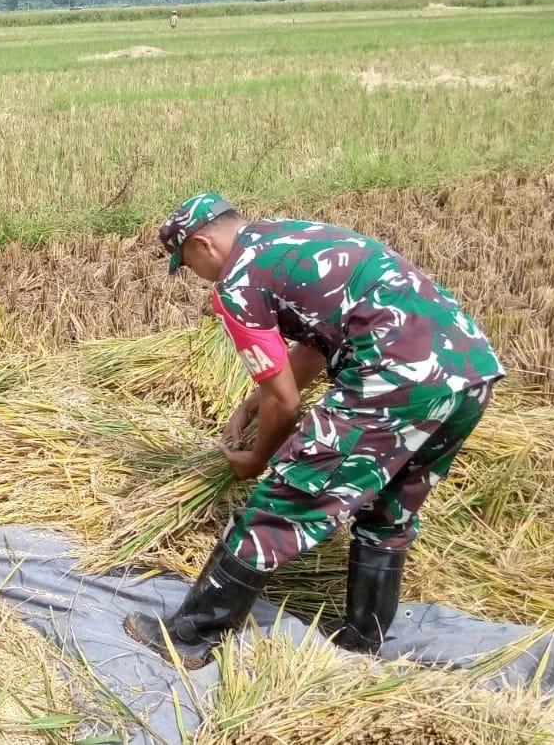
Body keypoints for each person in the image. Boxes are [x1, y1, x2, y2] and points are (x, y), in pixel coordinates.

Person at [123, 192, 503, 668]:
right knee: (389, 510)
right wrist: (252, 405)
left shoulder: (235, 283)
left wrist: (257, 460)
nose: (197, 275)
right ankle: (363, 642)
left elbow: (286, 402)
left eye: (187, 262)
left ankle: (189, 638)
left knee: (281, 502)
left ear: (203, 245)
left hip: (394, 379)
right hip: (469, 373)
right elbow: (316, 346)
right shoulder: (288, 235)